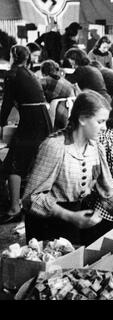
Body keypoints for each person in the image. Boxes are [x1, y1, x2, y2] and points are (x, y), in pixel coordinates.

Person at [22, 90, 113, 246]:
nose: (104, 127)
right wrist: (68, 215)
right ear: (82, 119)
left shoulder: (96, 148)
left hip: (74, 221)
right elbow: (31, 198)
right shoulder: (55, 146)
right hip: (45, 225)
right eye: (100, 121)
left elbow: (107, 192)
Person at [0, 45, 52, 224]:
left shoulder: (12, 74)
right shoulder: (30, 73)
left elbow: (6, 103)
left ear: (13, 56)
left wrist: (1, 123)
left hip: (31, 121)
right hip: (42, 120)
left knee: (13, 164)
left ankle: (15, 208)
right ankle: (22, 203)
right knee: (26, 161)